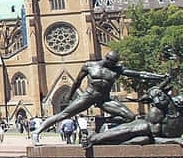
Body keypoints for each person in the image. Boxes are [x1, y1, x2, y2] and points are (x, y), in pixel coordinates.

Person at [32, 51, 164, 144]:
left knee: (130, 117)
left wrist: (159, 77)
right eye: (112, 62)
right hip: (89, 96)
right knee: (64, 114)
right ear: (106, 58)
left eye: (115, 63)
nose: (113, 65)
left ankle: (108, 128)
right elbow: (77, 82)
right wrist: (69, 96)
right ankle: (37, 132)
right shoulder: (89, 66)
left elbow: (139, 74)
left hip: (104, 99)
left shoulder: (117, 70)